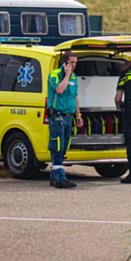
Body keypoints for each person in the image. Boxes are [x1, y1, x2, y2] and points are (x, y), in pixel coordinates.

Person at [47, 51, 83, 188]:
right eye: (71, 63)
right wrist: (66, 75)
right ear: (65, 62)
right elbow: (59, 90)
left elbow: (75, 97)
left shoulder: (74, 77)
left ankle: (54, 176)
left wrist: (78, 115)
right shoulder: (55, 75)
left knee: (63, 149)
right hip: (57, 116)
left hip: (69, 116)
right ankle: (60, 178)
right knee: (57, 147)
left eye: (75, 63)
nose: (73, 65)